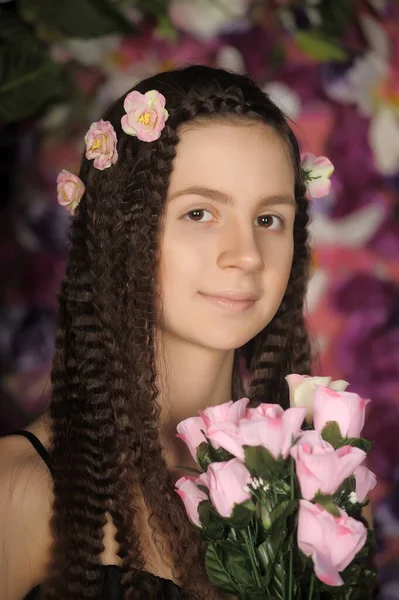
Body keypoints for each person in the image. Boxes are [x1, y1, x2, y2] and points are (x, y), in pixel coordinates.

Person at [0, 65, 372, 600]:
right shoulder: (21, 489)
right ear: (118, 230)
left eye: (269, 219)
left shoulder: (320, 496)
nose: (245, 255)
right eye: (200, 213)